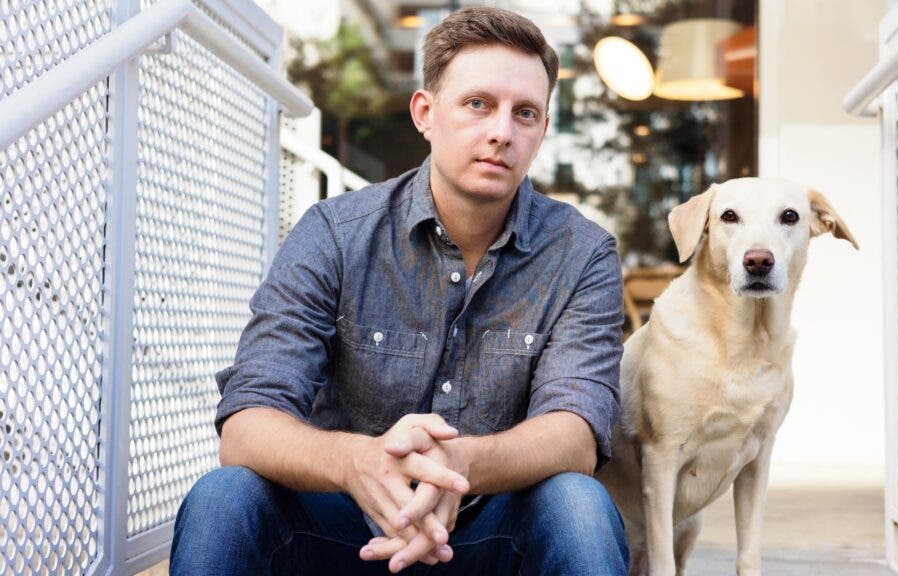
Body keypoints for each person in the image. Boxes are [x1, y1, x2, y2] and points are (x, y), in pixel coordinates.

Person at [170, 6, 628, 575]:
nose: (501, 132)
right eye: (478, 103)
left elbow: (575, 436)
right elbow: (246, 426)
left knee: (579, 507)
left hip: (485, 537)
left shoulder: (582, 254)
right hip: (342, 531)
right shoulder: (335, 234)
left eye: (525, 113)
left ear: (542, 130)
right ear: (425, 112)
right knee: (224, 498)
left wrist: (459, 463)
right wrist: (356, 463)